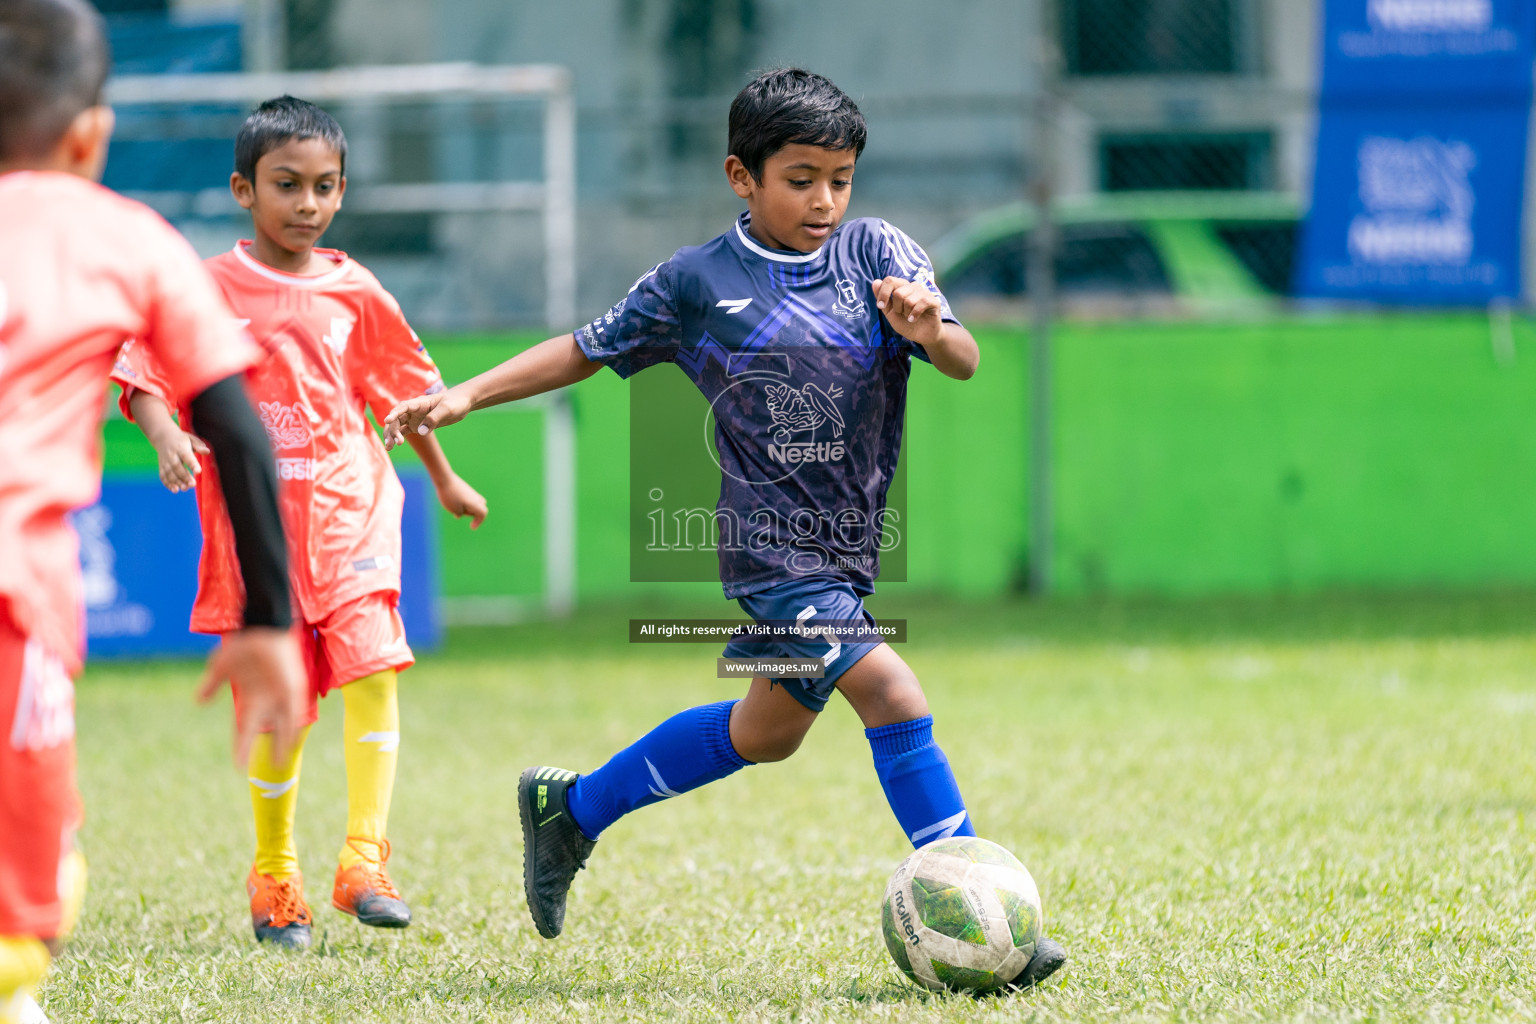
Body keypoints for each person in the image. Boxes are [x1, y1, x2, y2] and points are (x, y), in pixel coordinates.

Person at [382, 68, 1067, 990]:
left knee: (769, 731)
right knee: (894, 694)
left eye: (840, 177)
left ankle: (572, 810)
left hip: (848, 551)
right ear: (742, 176)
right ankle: (980, 906)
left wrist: (930, 329)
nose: (824, 199)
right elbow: (584, 348)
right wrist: (467, 391)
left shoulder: (878, 252)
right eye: (800, 178)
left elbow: (964, 358)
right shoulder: (696, 282)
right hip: (773, 556)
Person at [111, 96, 487, 951]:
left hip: (353, 518)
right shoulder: (204, 287)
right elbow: (143, 376)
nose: (306, 204)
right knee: (279, 712)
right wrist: (166, 432)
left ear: (342, 191)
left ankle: (364, 857)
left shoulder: (358, 292)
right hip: (257, 542)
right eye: (287, 185)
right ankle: (276, 872)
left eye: (323, 187)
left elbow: (408, 399)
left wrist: (448, 479)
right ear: (245, 189)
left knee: (376, 672)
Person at [0, 1, 307, 1019]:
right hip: (14, 601)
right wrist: (267, 623)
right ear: (91, 132)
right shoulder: (129, 241)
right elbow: (241, 430)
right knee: (23, 922)